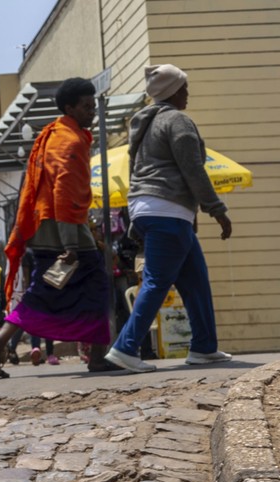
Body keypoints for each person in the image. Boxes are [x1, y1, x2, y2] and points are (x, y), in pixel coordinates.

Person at [0, 78, 113, 378]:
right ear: (69, 108)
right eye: (87, 107)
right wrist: (71, 246)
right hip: (64, 236)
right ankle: (97, 357)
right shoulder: (71, 141)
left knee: (46, 292)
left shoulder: (57, 134)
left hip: (50, 231)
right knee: (94, 288)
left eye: (93, 106)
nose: (92, 112)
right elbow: (64, 192)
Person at [105, 64, 233, 373]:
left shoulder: (144, 124)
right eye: (183, 88)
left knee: (196, 282)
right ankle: (126, 347)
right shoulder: (178, 121)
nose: (187, 93)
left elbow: (138, 171)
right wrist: (217, 210)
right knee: (157, 281)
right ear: (172, 92)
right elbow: (193, 170)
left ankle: (204, 347)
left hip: (153, 210)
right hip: (168, 211)